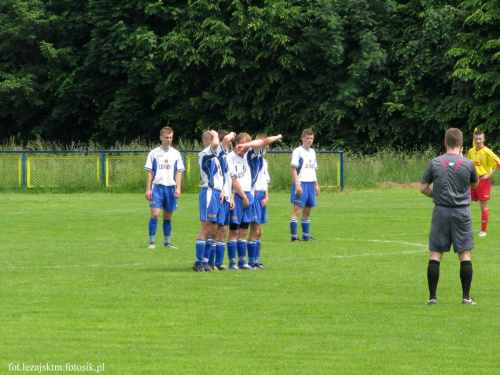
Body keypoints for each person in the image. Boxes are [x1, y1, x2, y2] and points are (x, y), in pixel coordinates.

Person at [420, 128, 479, 305]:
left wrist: (437, 195)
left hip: (440, 212)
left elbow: (423, 188)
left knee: (435, 254)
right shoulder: (468, 164)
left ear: (445, 143)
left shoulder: (435, 162)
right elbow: (475, 184)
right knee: (465, 254)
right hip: (461, 212)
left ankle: (432, 297)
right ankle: (466, 297)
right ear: (461, 144)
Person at [227, 133, 282, 270]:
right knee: (234, 230)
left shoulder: (250, 156)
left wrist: (245, 146)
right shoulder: (229, 157)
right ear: (235, 144)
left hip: (249, 196)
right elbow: (232, 181)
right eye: (242, 145)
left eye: (247, 145)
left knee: (244, 231)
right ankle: (232, 263)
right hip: (236, 196)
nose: (245, 149)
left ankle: (242, 262)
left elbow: (263, 142)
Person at [144, 126, 185, 249]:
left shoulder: (176, 153)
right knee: (155, 214)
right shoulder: (154, 153)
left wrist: (178, 188)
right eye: (167, 137)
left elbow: (178, 172)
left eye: (171, 137)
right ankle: (152, 242)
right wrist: (148, 189)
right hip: (157, 188)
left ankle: (167, 242)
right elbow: (149, 172)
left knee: (167, 216)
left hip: (170, 188)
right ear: (161, 138)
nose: (169, 140)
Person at [193, 130, 223, 272]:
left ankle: (205, 261)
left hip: (217, 193)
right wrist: (216, 135)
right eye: (212, 139)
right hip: (209, 192)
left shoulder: (216, 156)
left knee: (213, 229)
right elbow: (217, 143)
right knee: (205, 228)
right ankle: (198, 262)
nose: (215, 142)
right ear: (206, 141)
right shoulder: (205, 153)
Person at [211, 130, 237, 271]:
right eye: (230, 142)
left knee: (223, 230)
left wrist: (232, 195)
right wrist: (232, 134)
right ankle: (210, 262)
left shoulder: (227, 157)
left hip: (227, 197)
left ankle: (219, 263)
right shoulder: (218, 154)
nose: (231, 144)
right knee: (214, 230)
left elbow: (231, 179)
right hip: (219, 197)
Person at [466, 130, 500, 237]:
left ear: (483, 139)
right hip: (473, 181)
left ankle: (483, 231)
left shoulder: (487, 152)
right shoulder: (471, 151)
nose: (478, 141)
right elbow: (468, 165)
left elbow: (498, 164)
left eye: (480, 139)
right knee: (465, 203)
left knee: (483, 205)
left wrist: (489, 174)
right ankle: (464, 228)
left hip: (483, 181)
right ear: (473, 139)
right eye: (476, 139)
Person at [289, 129, 320, 242]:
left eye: (311, 138)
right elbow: (293, 168)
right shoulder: (297, 151)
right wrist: (297, 184)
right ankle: (294, 237)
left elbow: (313, 169)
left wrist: (316, 184)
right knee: (297, 211)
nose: (309, 140)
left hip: (310, 184)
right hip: (301, 184)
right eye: (307, 138)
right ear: (302, 138)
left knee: (307, 210)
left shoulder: (312, 152)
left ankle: (306, 236)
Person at [247, 134, 272, 269]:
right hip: (255, 194)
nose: (266, 147)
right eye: (264, 145)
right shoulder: (253, 159)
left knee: (260, 231)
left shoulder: (264, 162)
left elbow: (265, 181)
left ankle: (257, 259)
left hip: (262, 195)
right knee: (254, 229)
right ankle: (252, 261)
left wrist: (267, 196)